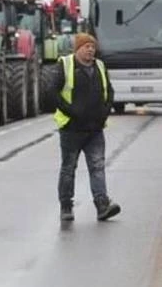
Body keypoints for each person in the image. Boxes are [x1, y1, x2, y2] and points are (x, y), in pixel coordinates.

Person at [52, 32, 121, 222]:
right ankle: (66, 206)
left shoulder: (99, 66)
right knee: (68, 168)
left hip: (94, 129)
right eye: (86, 46)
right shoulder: (65, 65)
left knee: (97, 166)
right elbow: (53, 93)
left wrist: (105, 112)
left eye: (93, 46)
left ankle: (102, 205)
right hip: (71, 129)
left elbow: (109, 91)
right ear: (78, 49)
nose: (91, 50)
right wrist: (72, 111)